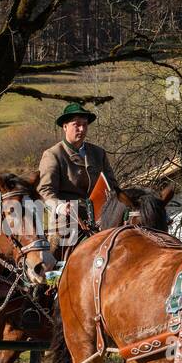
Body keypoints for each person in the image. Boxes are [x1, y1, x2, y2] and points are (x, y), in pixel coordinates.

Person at [37, 102, 120, 251]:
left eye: (85, 125)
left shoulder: (98, 153)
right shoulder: (53, 155)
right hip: (67, 221)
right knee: (55, 262)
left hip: (101, 218)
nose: (82, 129)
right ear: (65, 127)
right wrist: (60, 207)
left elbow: (112, 185)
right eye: (76, 125)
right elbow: (44, 191)